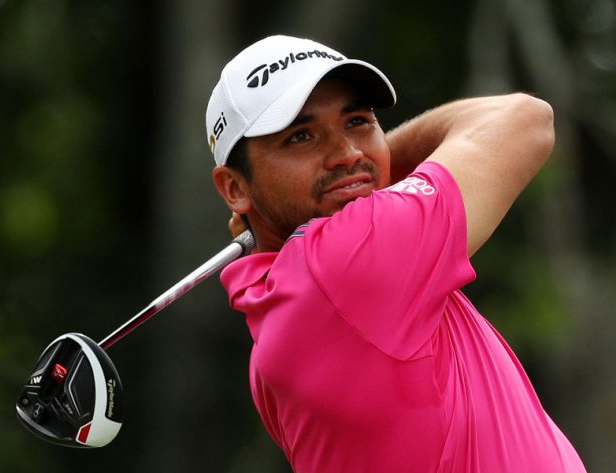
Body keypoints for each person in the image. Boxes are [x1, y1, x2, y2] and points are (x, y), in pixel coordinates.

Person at [206, 35, 587, 472]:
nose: (347, 153)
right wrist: (371, 168)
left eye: (357, 122)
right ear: (234, 188)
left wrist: (360, 173)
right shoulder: (342, 264)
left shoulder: (272, 323)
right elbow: (526, 119)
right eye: (301, 136)